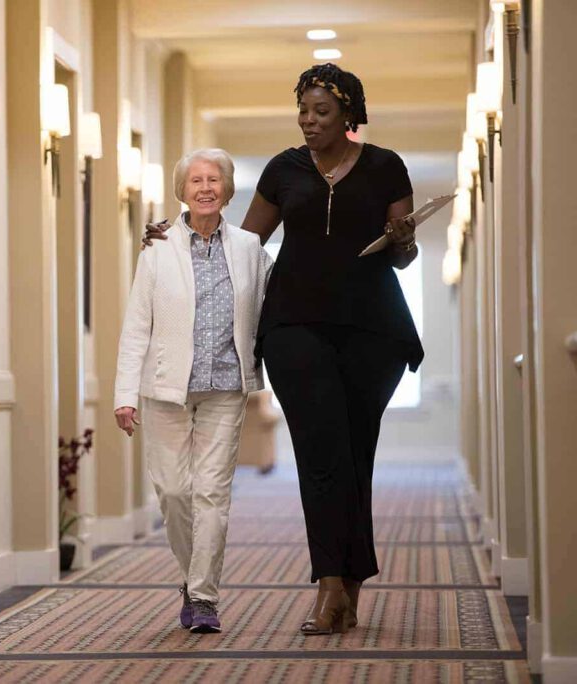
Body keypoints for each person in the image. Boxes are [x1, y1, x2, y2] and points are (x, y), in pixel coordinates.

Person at [143, 63, 423, 636]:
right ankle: (329, 584)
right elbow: (241, 244)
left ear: (349, 114)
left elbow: (403, 256)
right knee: (320, 455)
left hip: (373, 330)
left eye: (321, 111)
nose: (309, 121)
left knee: (355, 454)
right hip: (294, 326)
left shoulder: (385, 167)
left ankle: (352, 583)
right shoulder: (283, 169)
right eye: (303, 110)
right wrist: (175, 234)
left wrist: (405, 240)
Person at [114, 149, 273, 633]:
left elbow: (274, 304)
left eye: (214, 179)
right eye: (196, 180)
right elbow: (137, 325)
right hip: (165, 389)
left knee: (211, 493)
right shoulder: (157, 246)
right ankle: (192, 577)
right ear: (182, 190)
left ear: (226, 189)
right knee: (174, 491)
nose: (206, 187)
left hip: (225, 385)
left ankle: (203, 596)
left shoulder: (249, 247)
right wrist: (124, 392)